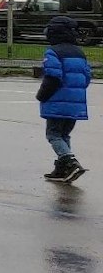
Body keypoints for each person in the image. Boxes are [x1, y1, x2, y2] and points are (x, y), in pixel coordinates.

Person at [39, 14, 90, 183]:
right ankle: (62, 169)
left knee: (53, 134)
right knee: (64, 134)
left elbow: (53, 77)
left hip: (57, 103)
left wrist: (42, 95)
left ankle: (70, 161)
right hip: (75, 105)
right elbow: (87, 77)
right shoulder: (79, 53)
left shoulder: (53, 52)